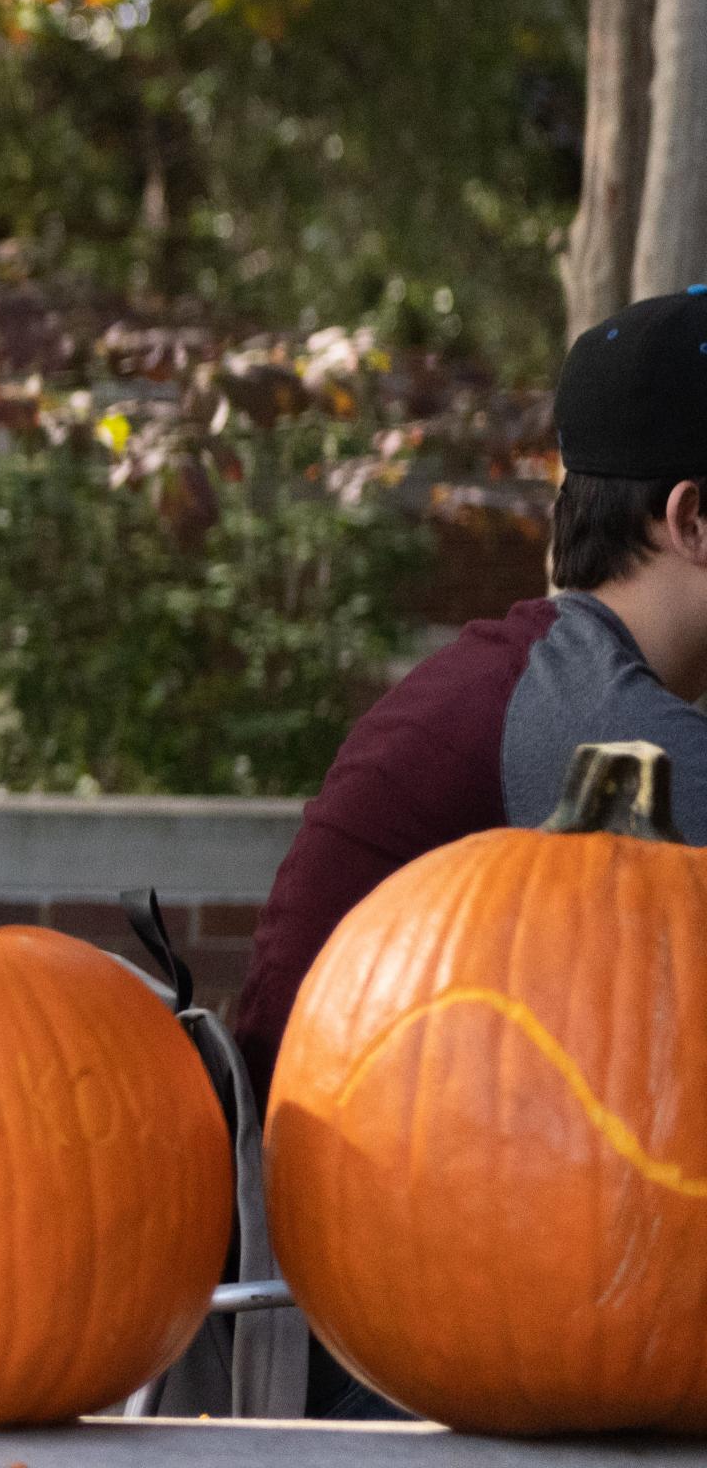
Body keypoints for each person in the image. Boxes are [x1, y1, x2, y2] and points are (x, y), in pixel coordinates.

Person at [229, 289, 707, 1413]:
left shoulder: (538, 667)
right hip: (379, 1336)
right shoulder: (587, 716)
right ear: (692, 518)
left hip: (428, 1280)